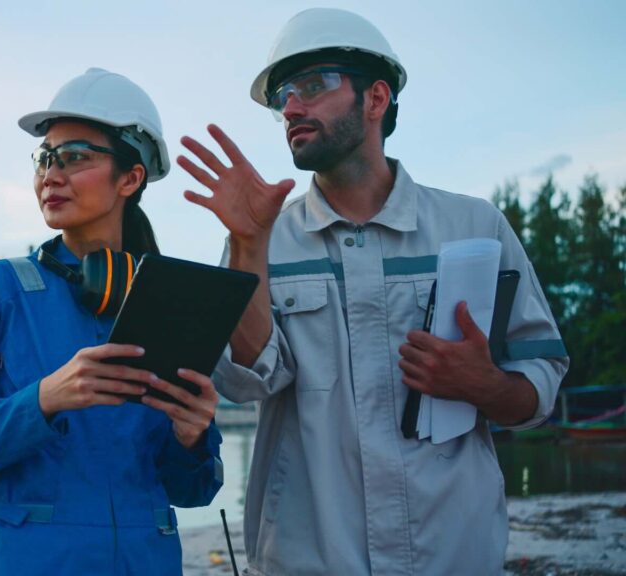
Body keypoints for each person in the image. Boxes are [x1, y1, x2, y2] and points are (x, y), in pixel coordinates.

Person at [178, 8, 569, 575]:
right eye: (283, 95)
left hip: (455, 554)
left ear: (376, 99)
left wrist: (487, 385)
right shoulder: (262, 238)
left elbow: (541, 385)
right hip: (308, 560)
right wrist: (246, 243)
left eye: (313, 85)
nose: (290, 107)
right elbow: (244, 380)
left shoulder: (475, 228)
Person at [0, 68, 224, 575]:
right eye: (45, 158)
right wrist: (44, 399)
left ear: (131, 177)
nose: (51, 175)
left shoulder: (175, 301)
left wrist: (192, 439)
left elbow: (195, 491)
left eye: (75, 156)